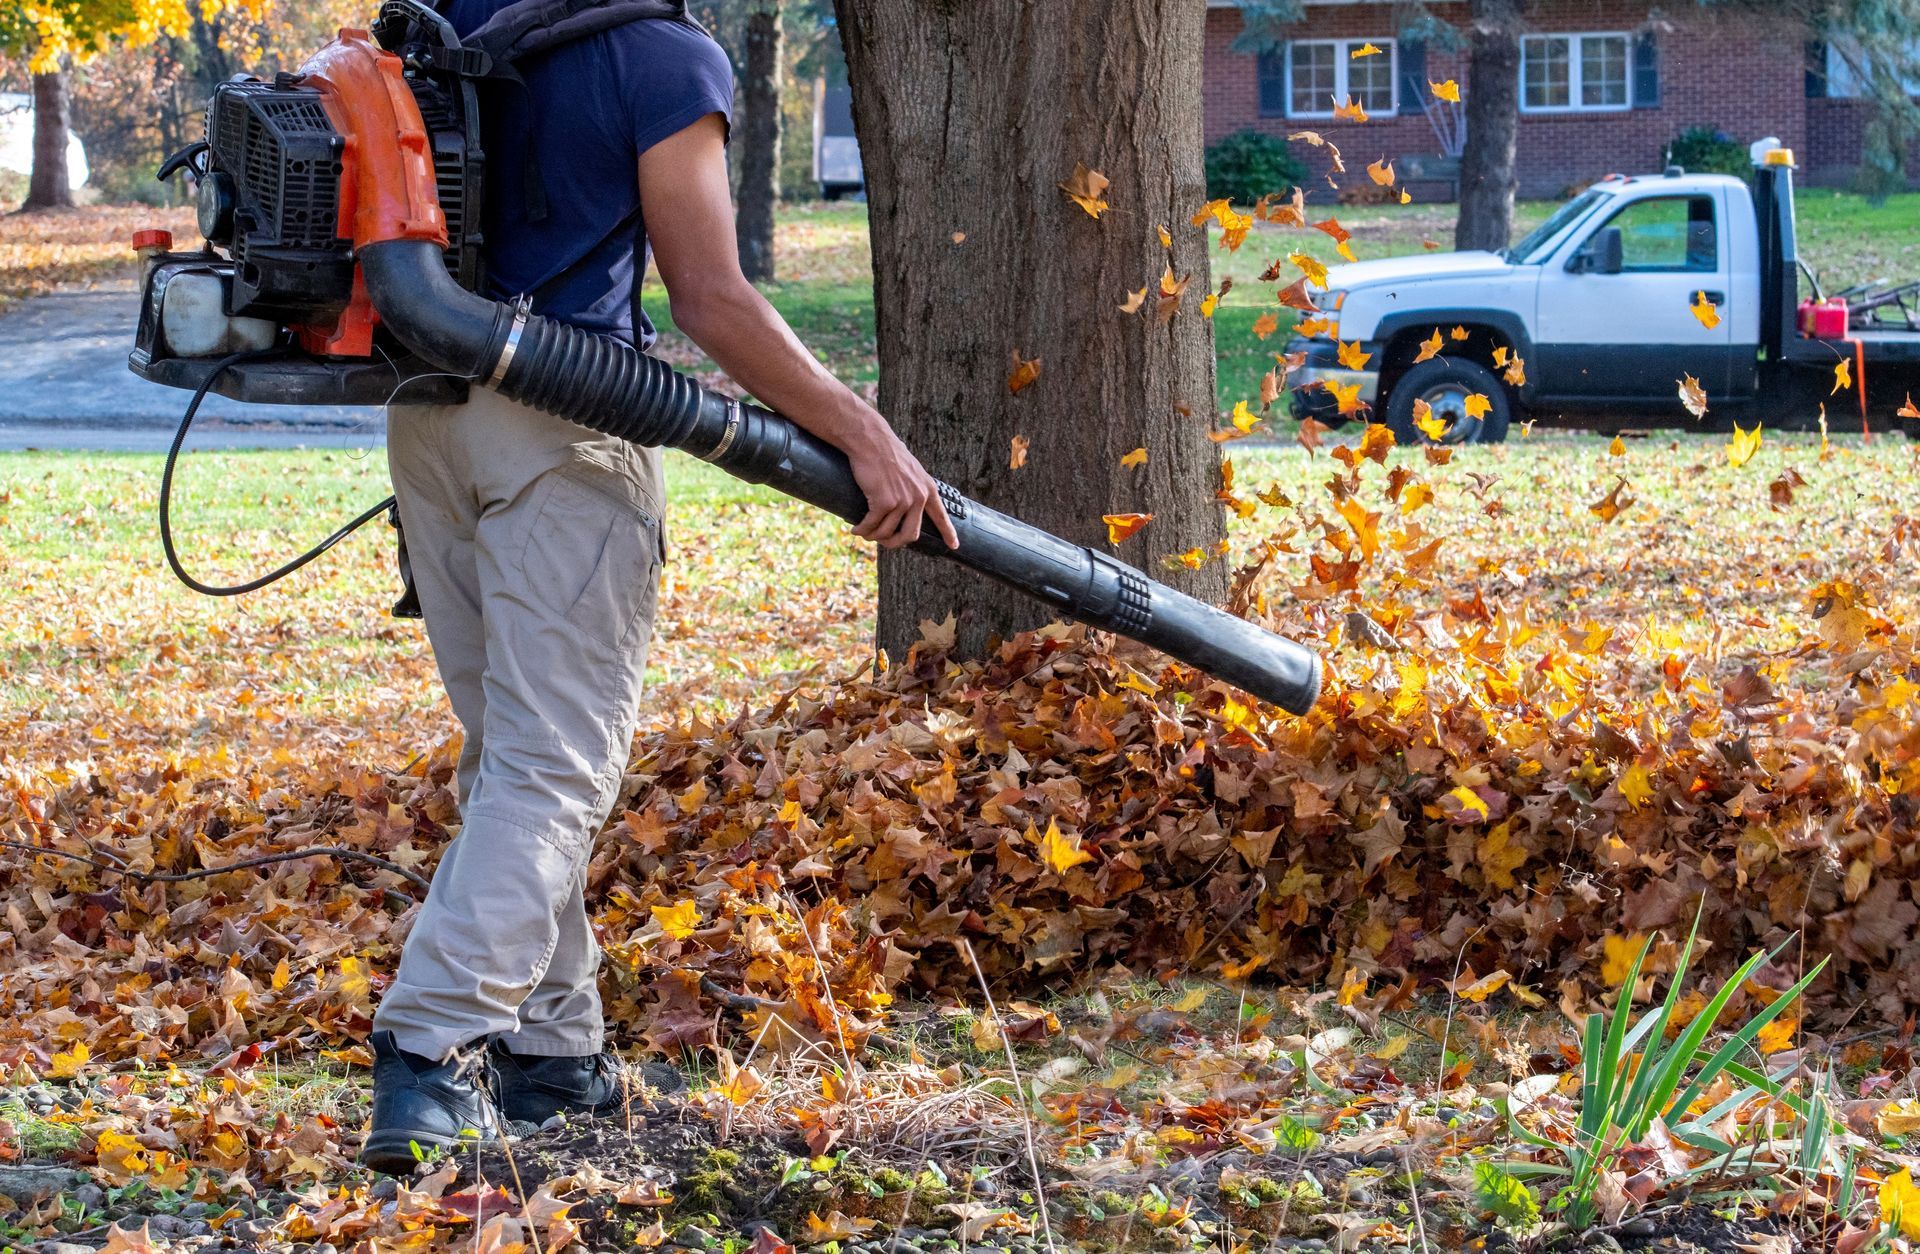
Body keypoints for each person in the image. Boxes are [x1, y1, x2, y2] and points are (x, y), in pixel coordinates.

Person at [360, 0, 957, 1174]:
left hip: (429, 419)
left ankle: (553, 1056)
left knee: (512, 758)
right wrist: (866, 434)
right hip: (570, 426)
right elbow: (712, 297)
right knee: (554, 768)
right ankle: (428, 1054)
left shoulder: (449, 18)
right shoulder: (660, 55)